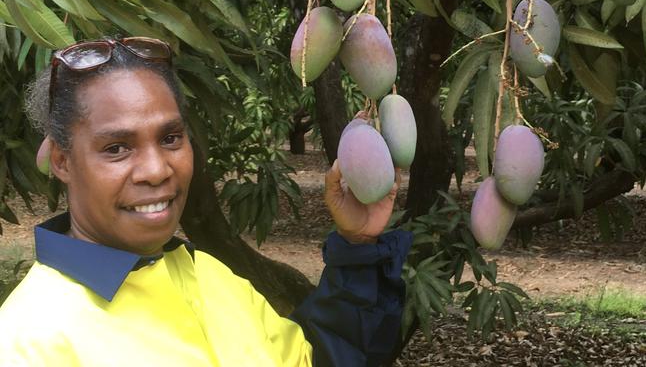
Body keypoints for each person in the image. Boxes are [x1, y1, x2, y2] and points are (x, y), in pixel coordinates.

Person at [0, 36, 412, 366]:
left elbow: (314, 358)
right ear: (62, 161)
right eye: (117, 148)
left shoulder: (209, 276)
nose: (157, 169)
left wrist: (357, 245)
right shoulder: (29, 340)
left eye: (170, 138)